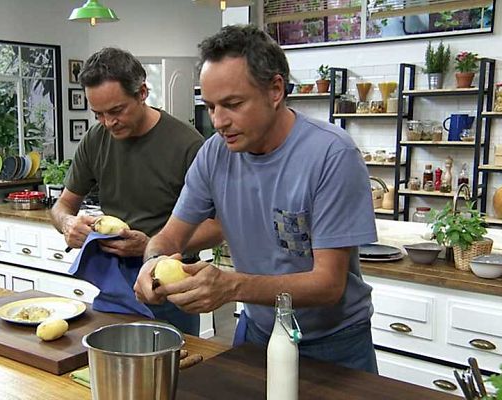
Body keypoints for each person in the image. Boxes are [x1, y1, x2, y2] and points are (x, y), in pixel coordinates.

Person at [134, 25, 379, 373]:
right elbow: (170, 237)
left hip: (333, 345)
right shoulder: (214, 154)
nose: (218, 121)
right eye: (211, 106)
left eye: (233, 104)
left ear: (275, 90)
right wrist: (152, 263)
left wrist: (232, 286)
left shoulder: (331, 154)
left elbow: (328, 285)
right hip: (257, 334)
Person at [50, 47, 220, 336]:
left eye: (116, 111)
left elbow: (218, 228)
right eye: (98, 114)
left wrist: (152, 246)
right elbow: (62, 205)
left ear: (142, 92)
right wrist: (68, 223)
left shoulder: (187, 145)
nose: (108, 122)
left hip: (166, 280)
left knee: (174, 372)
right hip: (112, 279)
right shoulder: (96, 139)